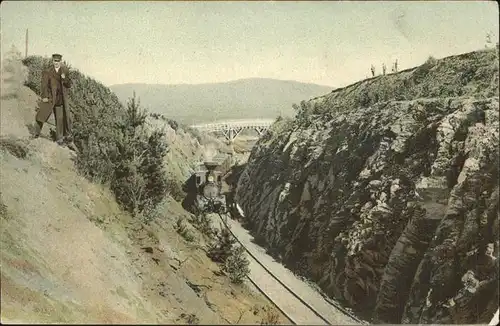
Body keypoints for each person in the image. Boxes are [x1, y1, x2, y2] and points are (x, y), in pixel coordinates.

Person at [33, 53, 75, 150]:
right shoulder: (48, 71)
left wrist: (65, 79)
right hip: (50, 98)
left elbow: (69, 84)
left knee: (59, 119)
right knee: (42, 115)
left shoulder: (64, 71)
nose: (56, 63)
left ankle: (59, 139)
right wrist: (44, 96)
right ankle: (35, 133)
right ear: (52, 61)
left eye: (58, 61)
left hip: (60, 99)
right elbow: (43, 85)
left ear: (61, 61)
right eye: (55, 61)